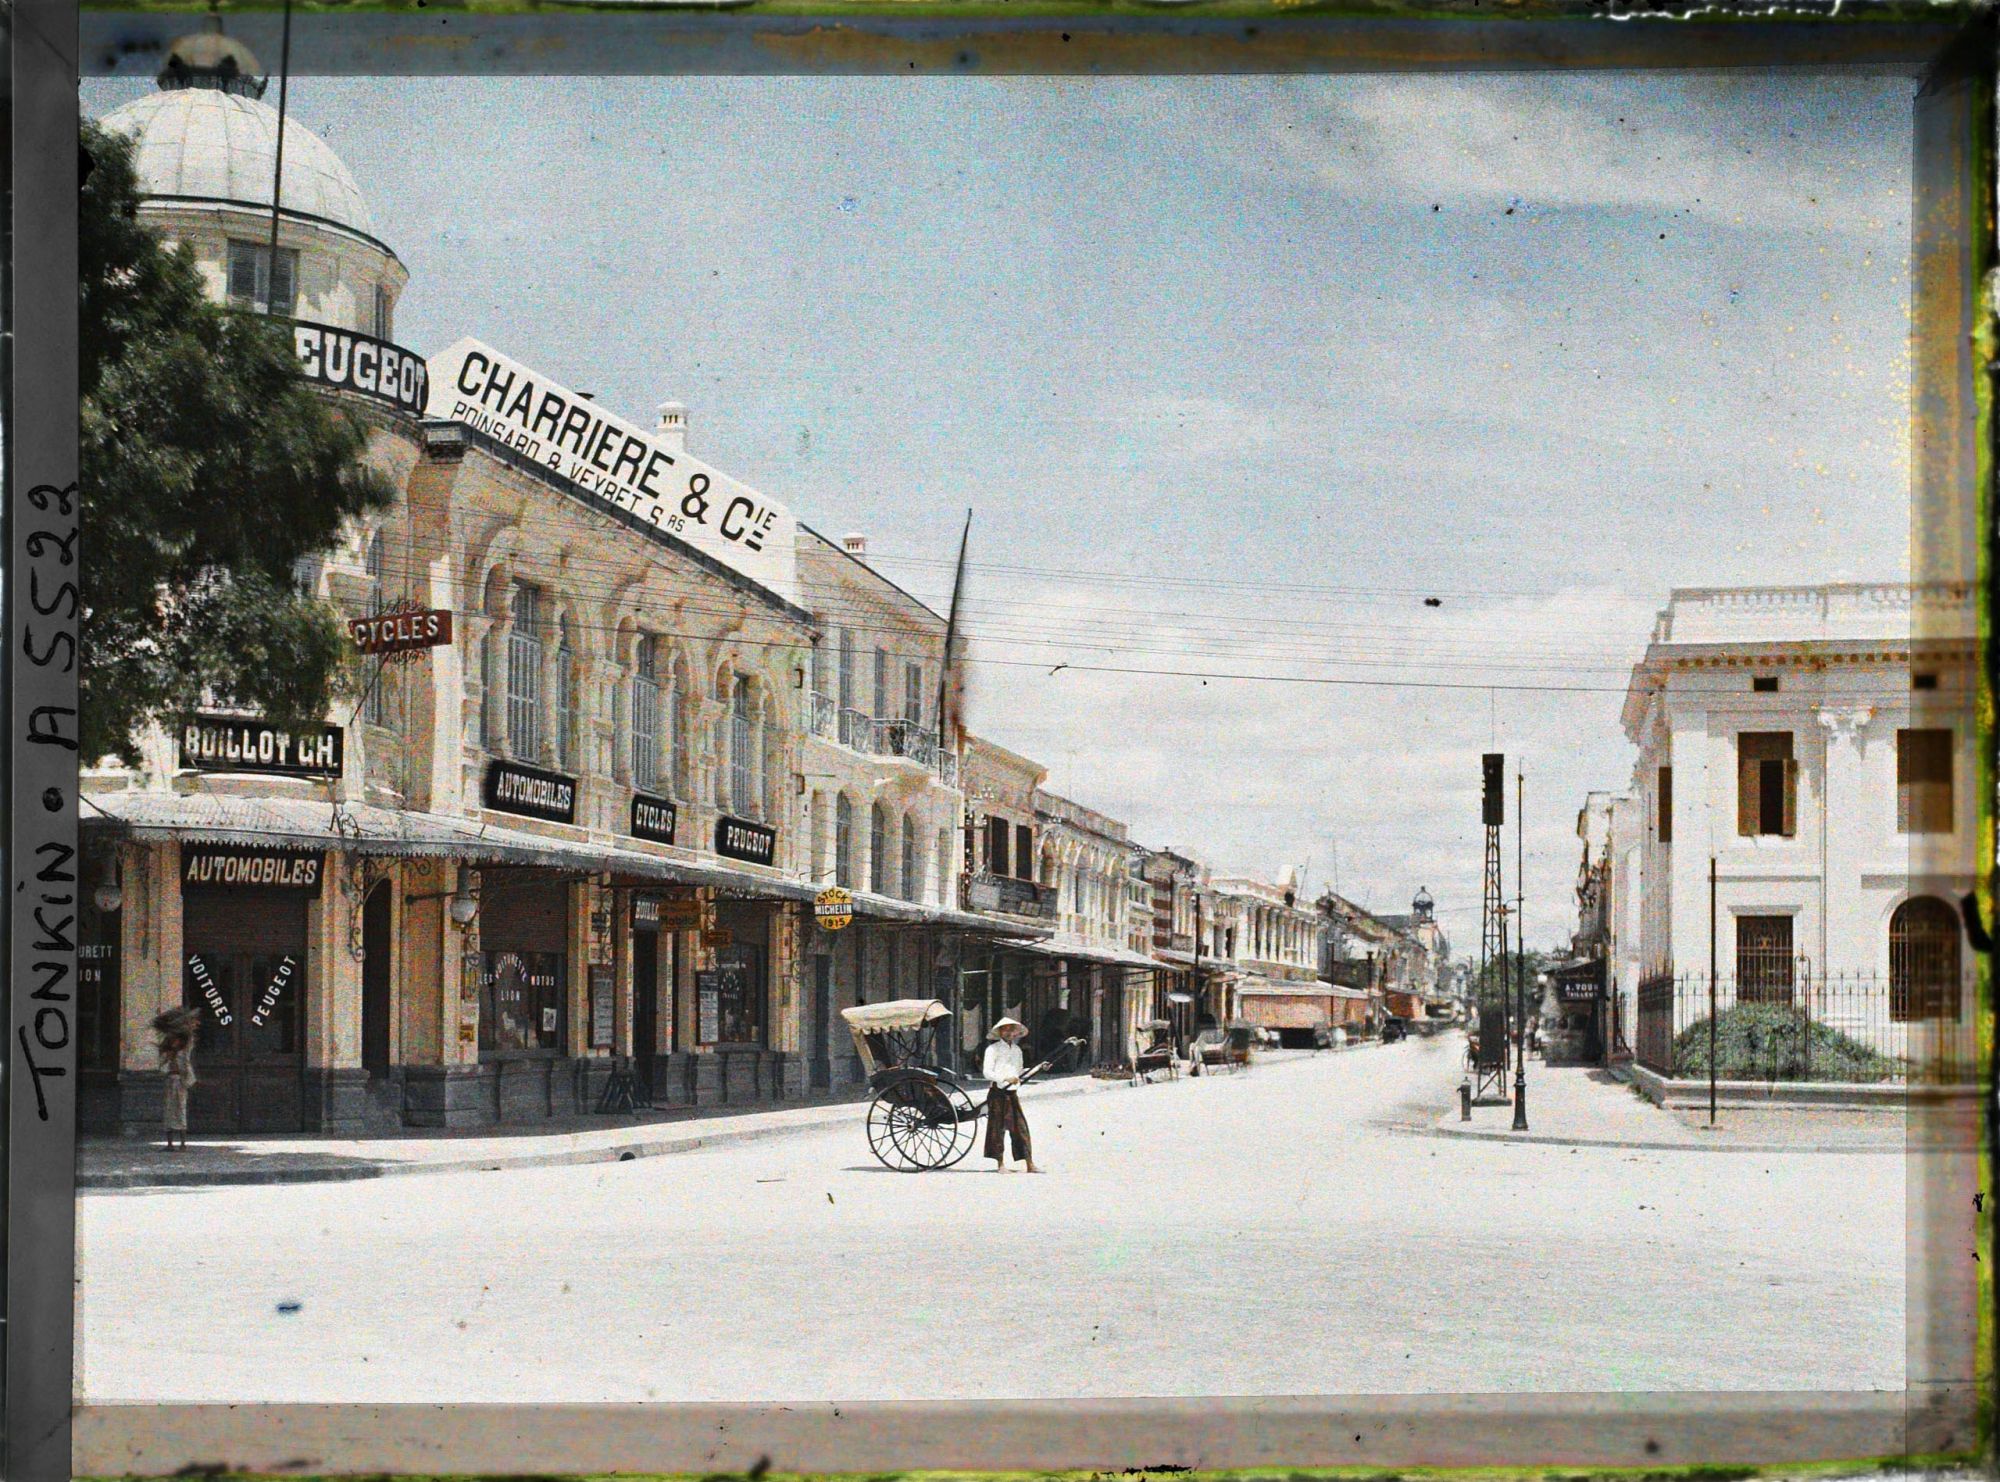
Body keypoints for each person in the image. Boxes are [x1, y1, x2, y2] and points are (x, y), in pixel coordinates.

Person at [982, 1017, 1041, 1174]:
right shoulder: (992, 1049)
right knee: (998, 1128)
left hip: (1012, 1092)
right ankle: (1000, 1164)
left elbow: (1019, 1070)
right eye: (1005, 1029)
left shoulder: (1017, 1050)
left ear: (1016, 1033)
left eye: (1011, 1029)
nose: (1009, 1033)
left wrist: (1038, 1069)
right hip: (997, 1093)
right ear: (1000, 1032)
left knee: (1020, 1127)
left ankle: (1029, 1163)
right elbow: (987, 1072)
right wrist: (1004, 1078)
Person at [152, 1006, 200, 1151]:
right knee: (168, 1111)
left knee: (180, 1110)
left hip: (180, 1082)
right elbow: (164, 1064)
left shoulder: (184, 1049)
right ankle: (170, 1144)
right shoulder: (168, 1051)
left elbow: (189, 1038)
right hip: (170, 1081)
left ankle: (183, 1143)